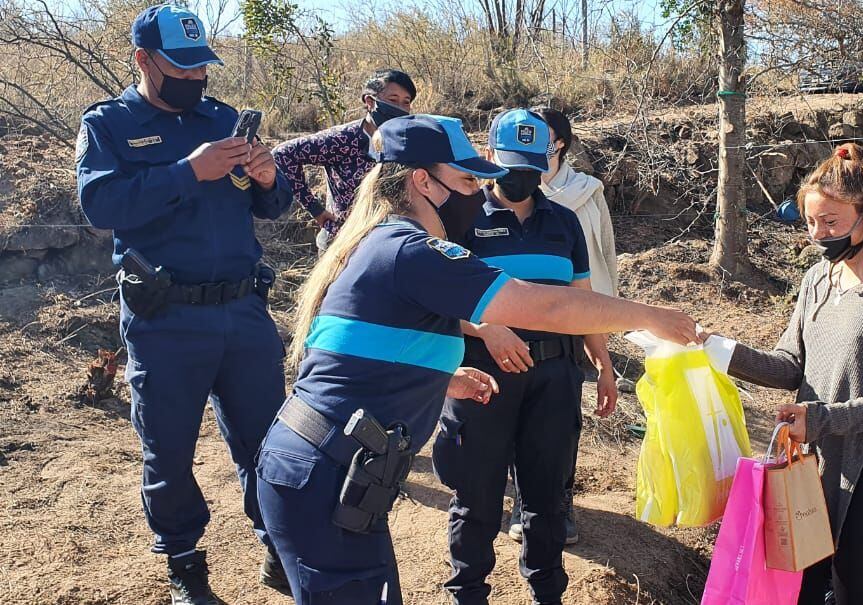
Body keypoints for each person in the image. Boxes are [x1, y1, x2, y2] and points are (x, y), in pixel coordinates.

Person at [254, 114, 700, 605]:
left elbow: (357, 348)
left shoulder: (383, 243)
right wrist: (651, 317)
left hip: (337, 472)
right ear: (423, 181)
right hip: (326, 474)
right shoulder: (413, 251)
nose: (479, 189)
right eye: (467, 178)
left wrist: (443, 377)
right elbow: (546, 305)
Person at [75, 5, 294, 604]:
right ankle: (185, 563)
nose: (197, 78)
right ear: (143, 59)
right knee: (168, 448)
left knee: (269, 440)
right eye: (182, 66)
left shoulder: (223, 119)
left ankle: (278, 546)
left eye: (203, 66)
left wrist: (271, 178)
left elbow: (271, 209)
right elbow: (100, 207)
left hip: (244, 311)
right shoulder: (110, 124)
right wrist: (185, 172)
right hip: (165, 318)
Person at [710, 143, 863, 605]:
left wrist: (821, 418)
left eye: (830, 222)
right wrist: (715, 350)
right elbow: (789, 364)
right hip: (807, 467)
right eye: (810, 222)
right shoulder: (818, 279)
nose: (817, 234)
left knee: (862, 592)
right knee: (803, 591)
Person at [431, 109, 617, 604]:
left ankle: (546, 593)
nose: (522, 178)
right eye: (512, 164)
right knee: (478, 496)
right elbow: (437, 296)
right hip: (484, 376)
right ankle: (468, 593)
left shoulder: (564, 222)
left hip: (555, 372)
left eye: (533, 167)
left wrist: (603, 364)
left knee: (546, 496)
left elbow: (582, 301)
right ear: (489, 156)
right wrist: (486, 328)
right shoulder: (461, 219)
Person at [272, 69, 416, 251]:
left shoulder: (405, 142)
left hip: (385, 244)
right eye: (393, 100)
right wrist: (314, 208)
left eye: (406, 102)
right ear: (370, 102)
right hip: (342, 244)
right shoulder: (342, 139)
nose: (400, 109)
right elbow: (283, 153)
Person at [532, 106, 619, 297]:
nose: (536, 141)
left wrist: (613, 297)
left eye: (543, 134)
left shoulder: (588, 188)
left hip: (588, 296)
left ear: (560, 142)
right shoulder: (520, 192)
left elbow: (607, 248)